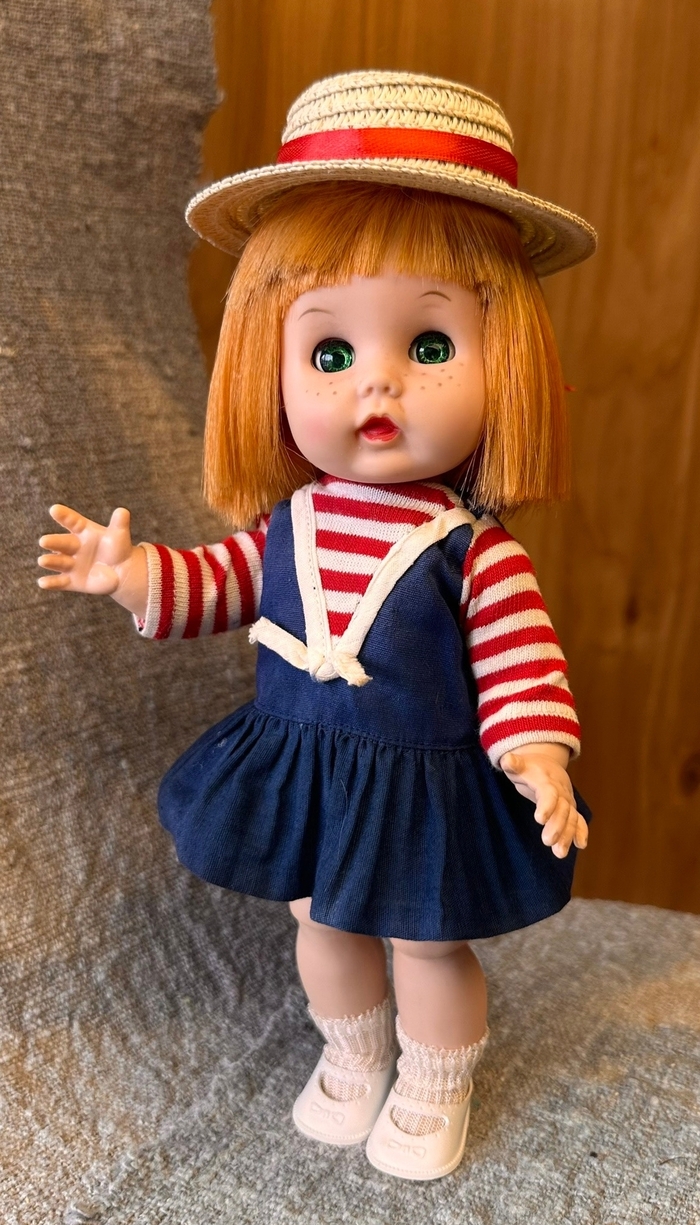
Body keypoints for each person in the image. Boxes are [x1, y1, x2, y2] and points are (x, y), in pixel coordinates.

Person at [38, 71, 595, 1181]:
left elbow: (520, 663)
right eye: (329, 354)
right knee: (322, 923)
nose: (374, 386)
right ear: (271, 366)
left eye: (428, 346)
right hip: (307, 772)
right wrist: (135, 575)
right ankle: (353, 1056)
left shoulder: (472, 553)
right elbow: (214, 584)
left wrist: (538, 754)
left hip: (424, 783)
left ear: (509, 361)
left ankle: (435, 1079)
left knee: (427, 940)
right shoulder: (286, 525)